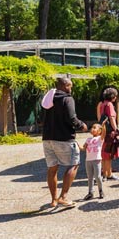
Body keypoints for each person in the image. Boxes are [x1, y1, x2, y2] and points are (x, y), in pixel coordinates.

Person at [42, 77, 88, 208]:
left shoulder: (47, 99)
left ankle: (54, 200)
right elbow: (71, 117)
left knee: (52, 168)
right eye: (70, 86)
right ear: (65, 86)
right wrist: (82, 125)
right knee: (74, 164)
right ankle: (63, 197)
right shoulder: (67, 98)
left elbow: (42, 118)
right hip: (64, 138)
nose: (71, 89)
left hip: (47, 138)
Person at [98, 87, 119, 181]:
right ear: (112, 96)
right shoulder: (110, 104)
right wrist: (116, 130)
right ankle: (108, 174)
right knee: (109, 154)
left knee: (104, 154)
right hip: (109, 132)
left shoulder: (103, 104)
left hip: (103, 131)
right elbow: (111, 118)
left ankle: (104, 173)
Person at [81, 123, 105, 200]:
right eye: (92, 127)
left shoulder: (100, 139)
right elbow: (83, 148)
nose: (92, 129)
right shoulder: (88, 139)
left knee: (97, 176)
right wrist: (76, 144)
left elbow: (104, 133)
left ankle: (101, 190)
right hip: (88, 160)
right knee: (90, 177)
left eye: (94, 127)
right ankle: (90, 192)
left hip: (97, 160)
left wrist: (103, 125)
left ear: (99, 131)